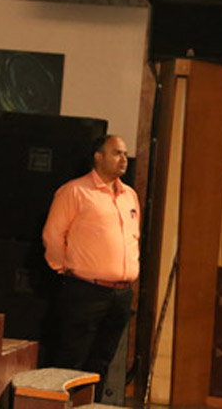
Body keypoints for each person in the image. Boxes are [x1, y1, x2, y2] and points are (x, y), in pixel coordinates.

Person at [41, 134, 140, 400]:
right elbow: (53, 235)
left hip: (120, 293)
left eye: (125, 154)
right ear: (98, 156)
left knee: (101, 362)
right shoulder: (75, 191)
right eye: (117, 153)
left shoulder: (129, 195)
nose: (124, 159)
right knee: (70, 360)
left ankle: (89, 406)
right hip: (85, 290)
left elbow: (132, 237)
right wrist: (64, 268)